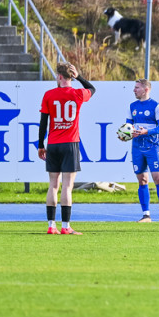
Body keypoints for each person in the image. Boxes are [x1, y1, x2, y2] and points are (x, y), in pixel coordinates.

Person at [38, 62, 96, 235]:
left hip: (53, 144)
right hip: (70, 143)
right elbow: (92, 88)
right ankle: (65, 226)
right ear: (71, 76)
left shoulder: (49, 94)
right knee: (67, 186)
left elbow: (43, 122)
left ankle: (51, 225)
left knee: (53, 185)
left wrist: (41, 144)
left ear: (60, 76)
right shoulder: (78, 94)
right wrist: (79, 77)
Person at [125, 79, 159, 223]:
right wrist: (125, 135)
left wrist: (147, 131)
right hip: (137, 148)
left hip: (153, 148)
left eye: (137, 88)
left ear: (146, 89)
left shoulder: (157, 106)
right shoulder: (132, 106)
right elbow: (128, 127)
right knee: (142, 180)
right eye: (134, 87)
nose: (134, 90)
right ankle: (146, 215)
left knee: (158, 179)